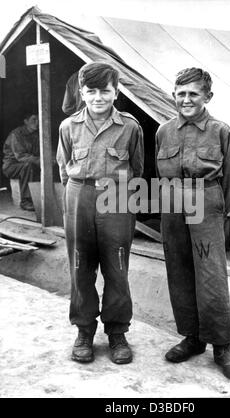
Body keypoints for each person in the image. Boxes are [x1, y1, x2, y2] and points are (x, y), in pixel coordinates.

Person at [155, 67, 230, 380]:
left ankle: (222, 345)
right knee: (179, 270)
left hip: (206, 204)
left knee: (211, 275)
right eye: (180, 94)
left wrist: (215, 213)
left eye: (193, 94)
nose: (186, 99)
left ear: (208, 96)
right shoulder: (163, 131)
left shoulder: (221, 131)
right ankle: (192, 338)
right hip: (172, 204)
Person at [57, 62, 144, 365]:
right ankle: (83, 331)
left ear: (115, 92)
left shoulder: (130, 126)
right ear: (81, 92)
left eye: (104, 91)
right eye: (91, 91)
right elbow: (64, 168)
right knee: (80, 266)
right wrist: (76, 199)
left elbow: (138, 169)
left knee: (117, 267)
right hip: (79, 195)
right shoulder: (68, 127)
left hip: (117, 197)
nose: (98, 97)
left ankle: (118, 332)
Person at [2, 112, 40, 211]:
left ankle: (41, 198)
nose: (37, 122)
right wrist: (40, 161)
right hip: (11, 166)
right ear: (26, 121)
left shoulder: (36, 134)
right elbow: (21, 156)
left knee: (39, 165)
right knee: (28, 166)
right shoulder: (16, 134)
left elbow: (43, 151)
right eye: (34, 119)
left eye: (38, 120)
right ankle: (25, 201)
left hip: (28, 163)